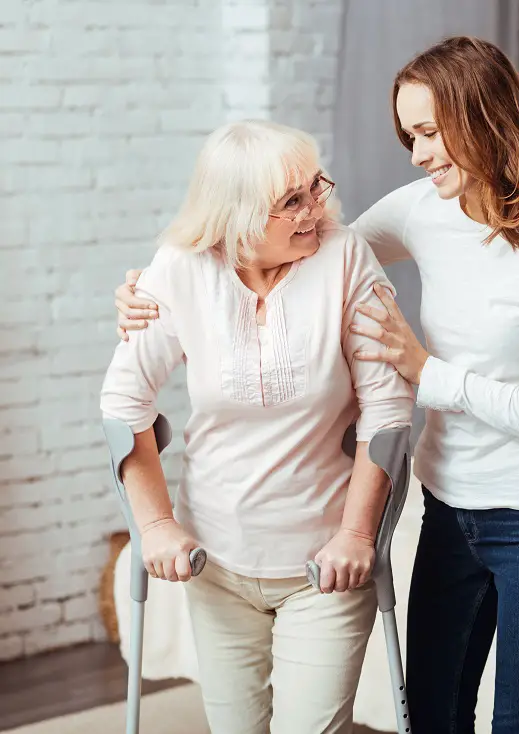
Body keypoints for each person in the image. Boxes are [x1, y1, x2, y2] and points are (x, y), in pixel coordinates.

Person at [112, 35, 519, 732]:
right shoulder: (425, 208)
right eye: (410, 135)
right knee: (434, 717)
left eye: (430, 132)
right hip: (448, 512)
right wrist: (156, 289)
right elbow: (314, 250)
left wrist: (426, 371)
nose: (418, 154)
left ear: (482, 117)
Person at [100, 119, 414, 734]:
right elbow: (123, 401)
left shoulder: (345, 256)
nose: (315, 212)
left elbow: (387, 409)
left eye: (315, 189)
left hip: (324, 566)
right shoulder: (180, 270)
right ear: (237, 216)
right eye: (291, 202)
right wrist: (157, 525)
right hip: (214, 561)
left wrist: (356, 536)